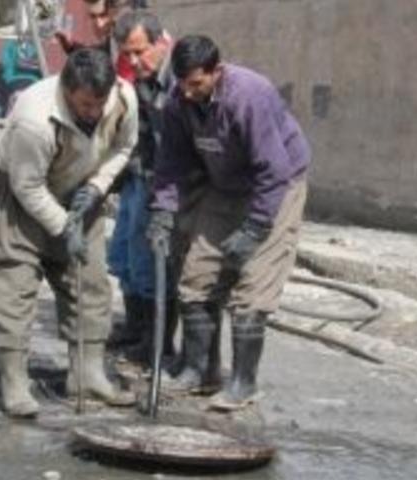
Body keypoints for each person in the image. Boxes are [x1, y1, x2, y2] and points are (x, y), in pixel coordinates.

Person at [146, 35, 311, 411]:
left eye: (197, 84)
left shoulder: (249, 96)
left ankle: (243, 383)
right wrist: (162, 212)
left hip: (277, 186)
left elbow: (274, 170)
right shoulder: (178, 101)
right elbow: (171, 163)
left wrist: (253, 230)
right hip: (225, 185)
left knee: (252, 285)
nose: (188, 93)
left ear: (216, 72)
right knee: (197, 274)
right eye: (183, 83)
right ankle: (200, 370)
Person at [0, 48, 139, 417]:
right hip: (19, 193)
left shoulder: (125, 98)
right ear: (67, 91)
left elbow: (123, 147)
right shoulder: (34, 118)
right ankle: (14, 381)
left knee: (91, 277)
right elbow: (28, 186)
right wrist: (63, 227)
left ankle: (87, 374)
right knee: (12, 280)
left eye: (100, 103)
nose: (94, 113)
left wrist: (97, 186)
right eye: (85, 105)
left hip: (80, 188)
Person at [106, 10, 176, 367]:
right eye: (127, 54)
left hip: (168, 183)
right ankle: (136, 328)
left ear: (161, 42)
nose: (133, 61)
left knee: (150, 260)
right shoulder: (140, 77)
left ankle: (157, 341)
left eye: (139, 52)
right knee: (122, 255)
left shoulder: (182, 78)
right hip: (141, 174)